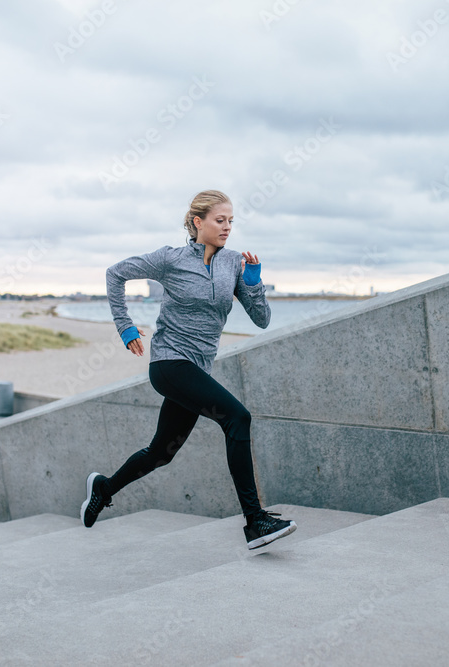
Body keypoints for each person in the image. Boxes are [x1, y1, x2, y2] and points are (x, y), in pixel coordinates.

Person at [80, 189, 297, 550]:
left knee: (161, 453)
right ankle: (254, 520)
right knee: (237, 417)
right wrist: (125, 326)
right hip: (168, 362)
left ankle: (104, 488)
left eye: (231, 221)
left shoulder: (233, 265)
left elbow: (261, 320)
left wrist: (255, 284)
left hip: (197, 369)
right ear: (198, 222)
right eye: (220, 220)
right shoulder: (171, 258)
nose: (227, 227)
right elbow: (115, 273)